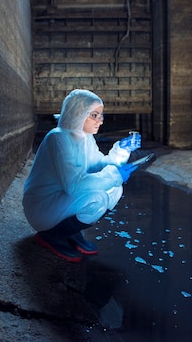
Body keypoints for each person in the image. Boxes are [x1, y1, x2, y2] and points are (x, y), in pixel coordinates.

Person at [23, 89, 141, 262]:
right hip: (42, 205)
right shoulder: (58, 138)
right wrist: (114, 175)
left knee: (115, 189)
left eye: (101, 115)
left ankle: (69, 231)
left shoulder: (85, 138)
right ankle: (51, 235)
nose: (100, 121)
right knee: (98, 197)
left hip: (61, 200)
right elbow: (74, 185)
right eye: (94, 115)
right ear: (78, 113)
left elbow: (98, 165)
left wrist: (122, 150)